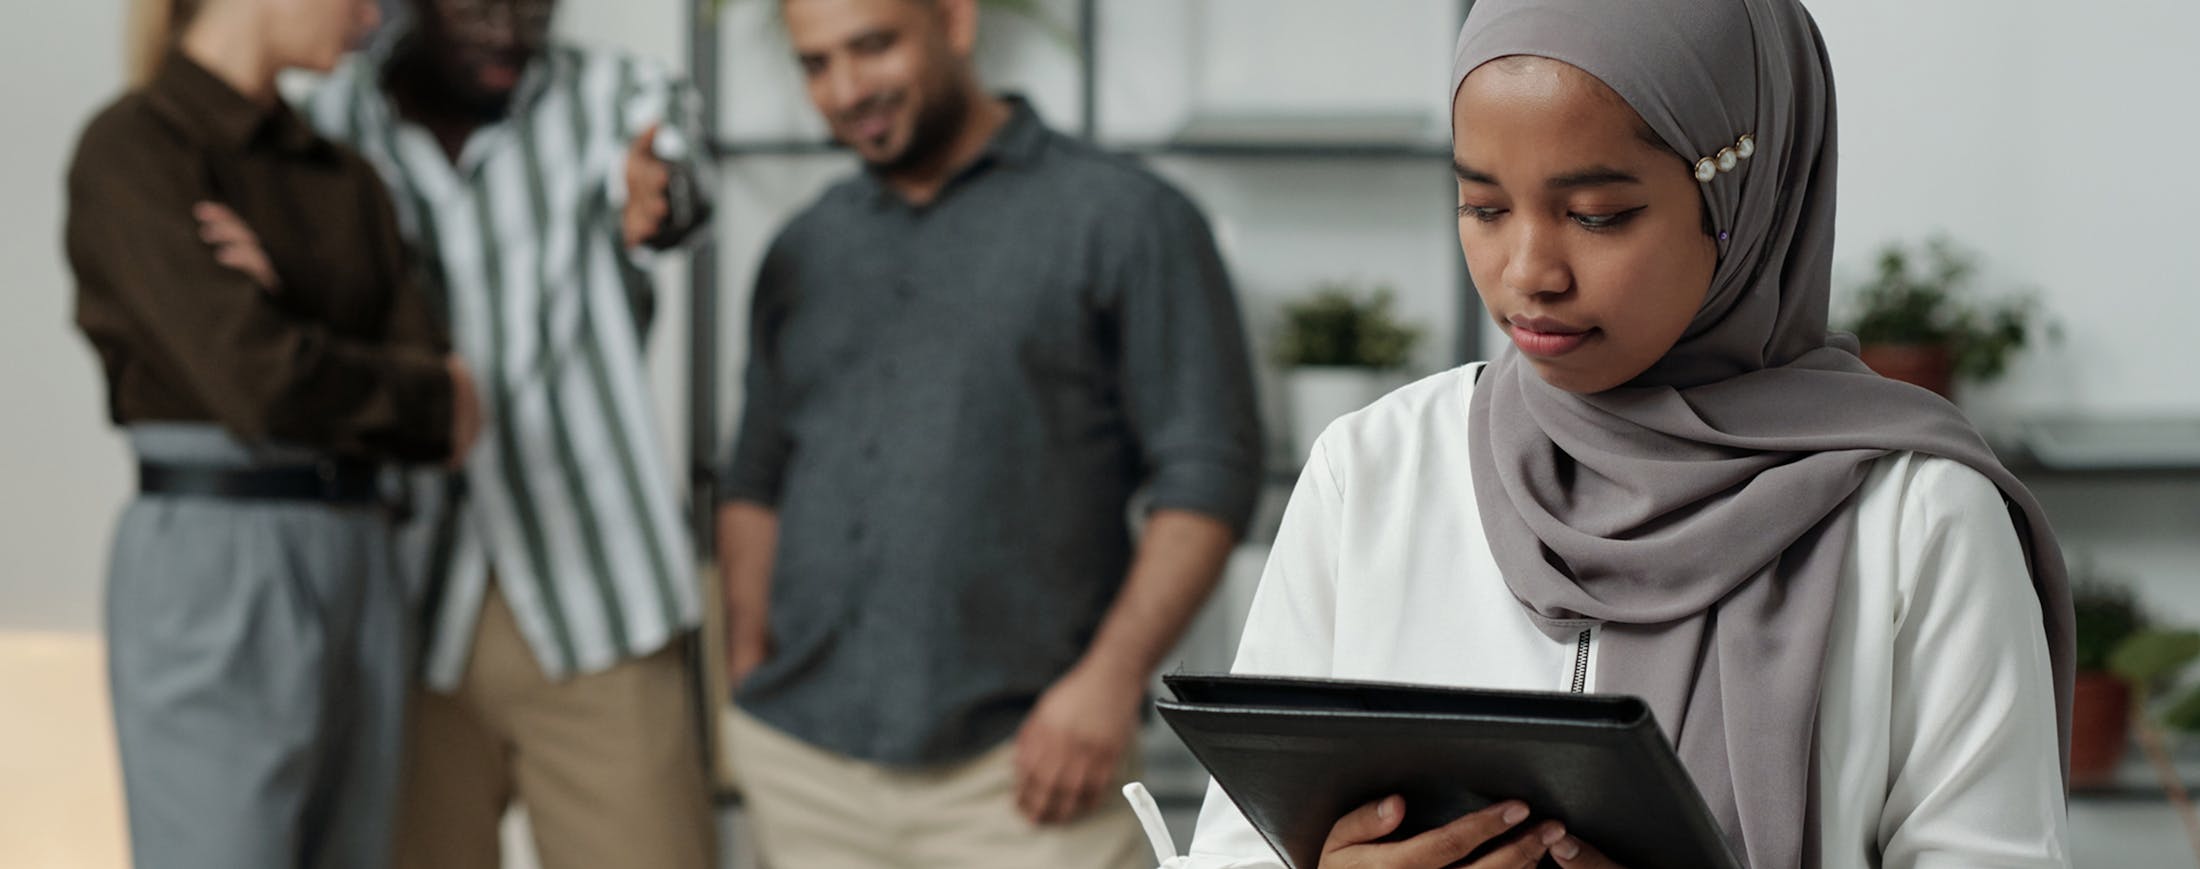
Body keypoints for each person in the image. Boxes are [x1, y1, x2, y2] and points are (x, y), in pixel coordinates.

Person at [1156, 0, 2074, 867]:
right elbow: (1237, 848)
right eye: (1483, 206)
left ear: (1744, 200)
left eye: (1598, 215)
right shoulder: (1376, 469)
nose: (1528, 271)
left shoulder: (1918, 516)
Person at [714, 0, 1265, 865]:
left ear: (955, 21)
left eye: (873, 46)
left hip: (1028, 776)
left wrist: (1108, 683)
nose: (846, 88)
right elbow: (755, 474)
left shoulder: (1127, 218)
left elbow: (1210, 473)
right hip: (803, 768)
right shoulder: (804, 245)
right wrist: (748, 660)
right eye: (815, 65)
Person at [297, 0, 718, 866]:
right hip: (403, 615)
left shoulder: (612, 93)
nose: (511, 28)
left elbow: (672, 171)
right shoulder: (328, 120)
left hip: (598, 604)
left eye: (534, 5)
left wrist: (662, 195)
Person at [65, 0, 481, 867]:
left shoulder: (347, 178)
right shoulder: (134, 150)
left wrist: (283, 299)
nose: (373, 18)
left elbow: (451, 409)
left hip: (363, 556)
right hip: (216, 559)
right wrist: (370, 370)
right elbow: (255, 381)